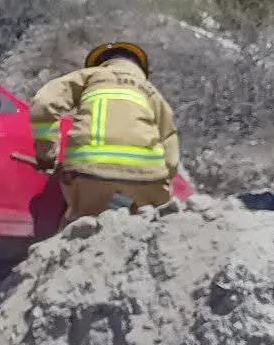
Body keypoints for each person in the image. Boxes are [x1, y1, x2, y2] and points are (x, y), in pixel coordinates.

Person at [30, 41, 180, 226]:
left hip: (90, 175)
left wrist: (46, 155)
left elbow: (44, 104)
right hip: (149, 181)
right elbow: (171, 154)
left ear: (101, 63)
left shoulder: (90, 76)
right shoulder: (152, 93)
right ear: (140, 68)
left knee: (80, 232)